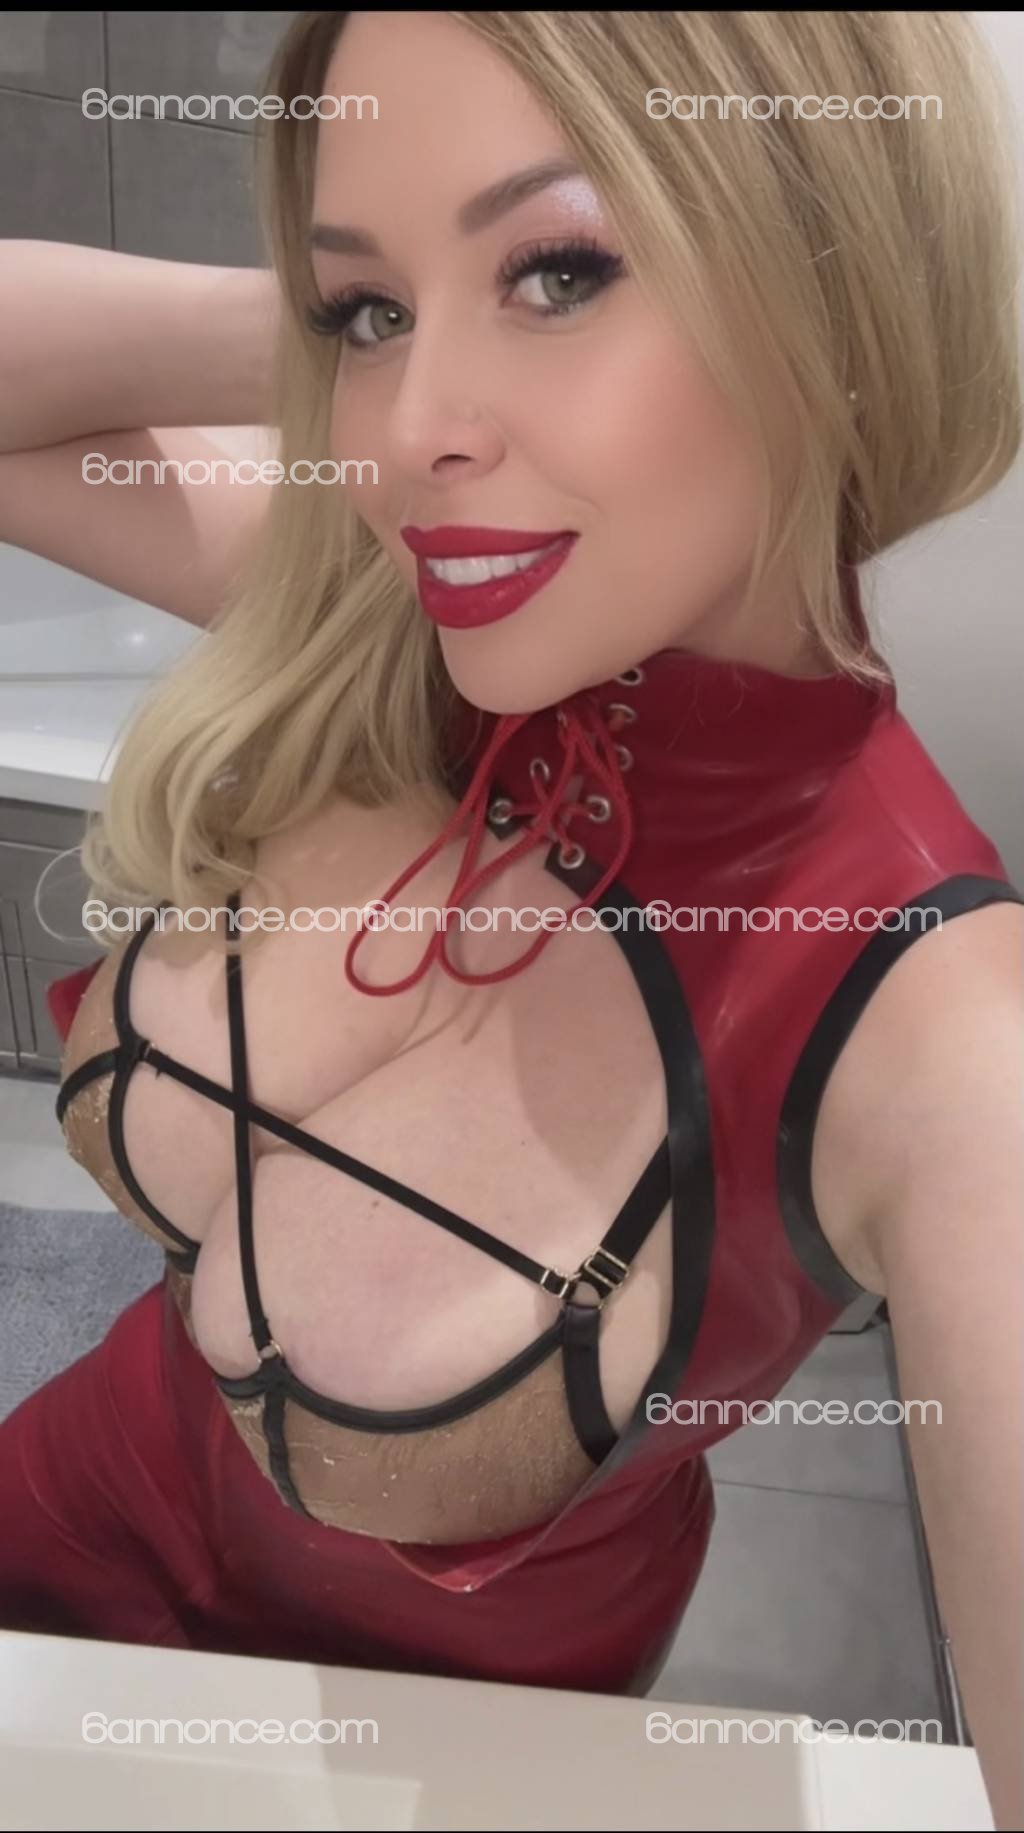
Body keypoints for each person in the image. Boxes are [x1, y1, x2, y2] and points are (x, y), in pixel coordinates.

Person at [0, 11, 1021, 1825]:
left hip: (440, 1738)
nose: (407, 439)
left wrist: (415, 296)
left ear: (836, 290)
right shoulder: (400, 611)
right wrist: (343, 318)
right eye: (368, 316)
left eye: (561, 270)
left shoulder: (941, 1030)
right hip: (55, 1516)